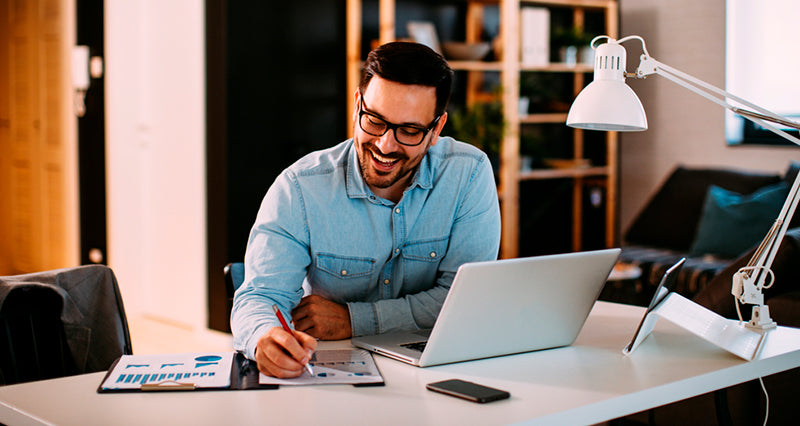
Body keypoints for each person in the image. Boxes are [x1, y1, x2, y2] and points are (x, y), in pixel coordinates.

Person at [231, 41, 501, 378]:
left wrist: (353, 320)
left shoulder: (468, 174)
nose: (386, 145)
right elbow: (260, 297)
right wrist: (264, 337)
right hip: (331, 375)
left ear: (436, 129)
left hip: (437, 370)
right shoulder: (299, 188)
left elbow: (460, 301)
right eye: (374, 120)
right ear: (357, 104)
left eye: (410, 131)